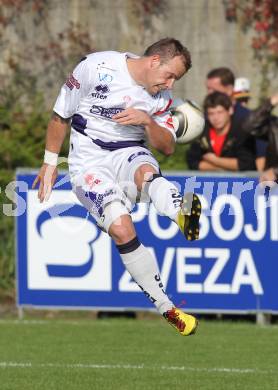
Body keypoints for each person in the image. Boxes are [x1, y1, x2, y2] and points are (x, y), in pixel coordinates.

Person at [33, 38, 201, 336]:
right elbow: (61, 114)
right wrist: (49, 162)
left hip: (128, 151)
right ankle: (168, 308)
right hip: (88, 162)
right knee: (122, 230)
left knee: (146, 172)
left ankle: (181, 213)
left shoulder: (160, 99)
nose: (171, 84)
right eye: (170, 75)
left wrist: (148, 122)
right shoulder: (96, 67)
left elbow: (168, 148)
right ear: (153, 61)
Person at [206, 67, 264, 170]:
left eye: (213, 89)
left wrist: (216, 162)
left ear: (229, 90)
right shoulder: (206, 118)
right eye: (208, 89)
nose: (209, 93)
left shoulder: (249, 119)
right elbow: (195, 159)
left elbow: (261, 160)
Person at [187, 92, 256, 171]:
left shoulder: (241, 131)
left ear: (230, 110)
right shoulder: (202, 131)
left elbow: (246, 164)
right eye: (211, 113)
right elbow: (192, 162)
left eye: (220, 112)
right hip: (207, 182)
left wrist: (215, 160)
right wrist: (224, 167)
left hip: (239, 182)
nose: (216, 118)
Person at [242, 93, 278, 184]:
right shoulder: (274, 126)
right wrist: (270, 103)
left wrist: (275, 172)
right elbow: (249, 126)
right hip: (271, 191)